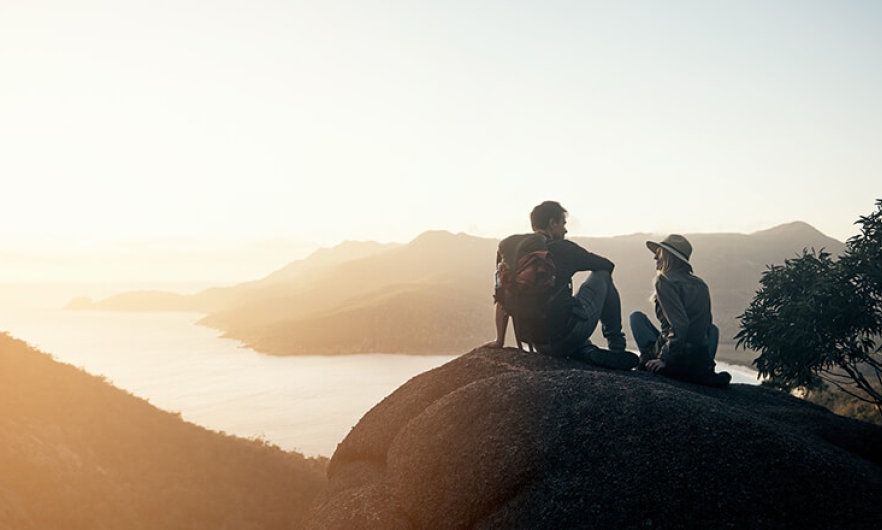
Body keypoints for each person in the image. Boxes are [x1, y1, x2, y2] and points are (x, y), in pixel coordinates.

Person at [483, 201, 638, 370]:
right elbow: (607, 265)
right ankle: (617, 347)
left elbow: (501, 296)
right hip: (567, 334)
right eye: (563, 224)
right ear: (552, 223)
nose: (565, 230)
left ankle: (587, 351)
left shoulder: (510, 251)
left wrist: (500, 340)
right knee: (602, 276)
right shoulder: (562, 247)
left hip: (538, 342)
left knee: (565, 323)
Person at [629, 234, 731, 387]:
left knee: (636, 317)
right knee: (713, 329)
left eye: (659, 253)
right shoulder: (701, 284)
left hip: (675, 356)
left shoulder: (664, 281)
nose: (655, 257)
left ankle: (646, 361)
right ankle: (702, 368)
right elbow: (704, 326)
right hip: (697, 358)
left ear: (669, 257)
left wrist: (664, 359)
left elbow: (680, 325)